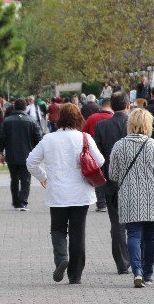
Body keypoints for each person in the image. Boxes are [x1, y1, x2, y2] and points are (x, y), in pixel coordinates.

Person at [27, 104, 104, 284]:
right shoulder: (84, 138)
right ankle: (75, 275)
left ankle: (61, 257)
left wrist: (43, 176)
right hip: (81, 193)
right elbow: (100, 161)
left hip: (57, 193)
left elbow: (31, 162)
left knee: (58, 229)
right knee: (78, 233)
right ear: (78, 118)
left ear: (59, 117)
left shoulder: (49, 139)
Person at [109, 109, 154, 287]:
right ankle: (148, 274)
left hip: (129, 196)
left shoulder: (119, 146)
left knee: (133, 234)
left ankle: (137, 271)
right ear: (148, 125)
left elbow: (113, 174)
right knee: (151, 236)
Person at [93, 91, 131, 274]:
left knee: (116, 223)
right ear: (128, 105)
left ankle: (122, 263)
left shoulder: (102, 126)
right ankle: (136, 259)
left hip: (112, 181)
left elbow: (97, 156)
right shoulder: (135, 123)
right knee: (136, 223)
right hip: (135, 181)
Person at [0, 99, 43, 210]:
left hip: (11, 155)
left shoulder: (7, 121)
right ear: (24, 108)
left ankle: (16, 202)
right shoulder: (31, 121)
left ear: (14, 108)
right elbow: (38, 139)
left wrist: (1, 152)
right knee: (25, 179)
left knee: (14, 179)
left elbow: (2, 138)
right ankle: (23, 201)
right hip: (27, 155)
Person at [82, 98, 113, 212]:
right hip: (112, 151)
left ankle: (101, 203)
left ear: (101, 105)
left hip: (95, 152)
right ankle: (111, 202)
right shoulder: (113, 118)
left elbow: (83, 133)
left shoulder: (92, 118)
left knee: (99, 176)